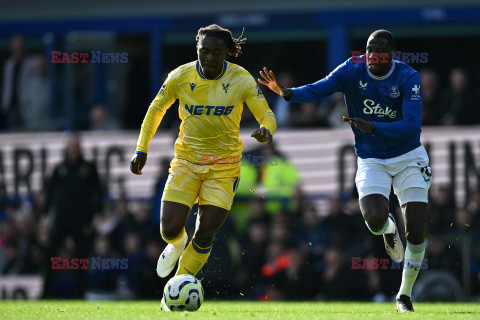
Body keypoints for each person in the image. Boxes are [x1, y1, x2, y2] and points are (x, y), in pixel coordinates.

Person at [259, 29, 430, 312]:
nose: (373, 56)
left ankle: (404, 295)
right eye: (369, 50)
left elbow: (411, 126)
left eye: (380, 51)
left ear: (391, 54)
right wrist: (287, 92)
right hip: (372, 158)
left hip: (408, 157)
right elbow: (319, 88)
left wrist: (374, 126)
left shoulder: (407, 76)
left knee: (415, 228)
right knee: (374, 220)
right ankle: (388, 228)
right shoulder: (352, 70)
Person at [129, 24, 276, 308]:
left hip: (224, 167)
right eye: (204, 51)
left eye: (216, 53)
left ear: (226, 54)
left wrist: (266, 130)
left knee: (206, 233)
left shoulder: (241, 79)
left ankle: (173, 290)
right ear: (197, 50)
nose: (208, 58)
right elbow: (155, 110)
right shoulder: (180, 76)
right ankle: (175, 244)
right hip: (186, 161)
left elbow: (266, 114)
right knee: (169, 229)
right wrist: (141, 148)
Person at [42, 132, 104, 298]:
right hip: (61, 220)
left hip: (82, 221)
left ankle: (80, 294)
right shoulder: (59, 169)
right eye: (72, 146)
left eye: (76, 146)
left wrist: (98, 213)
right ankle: (46, 292)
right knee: (50, 254)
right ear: (67, 148)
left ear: (80, 147)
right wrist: (45, 215)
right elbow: (50, 195)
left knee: (81, 258)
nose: (74, 149)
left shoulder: (89, 169)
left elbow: (98, 192)